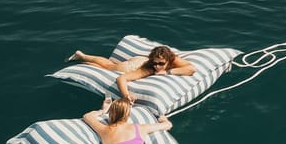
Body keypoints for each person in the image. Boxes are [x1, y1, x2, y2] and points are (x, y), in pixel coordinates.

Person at [66, 46, 196, 103]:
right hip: (132, 66)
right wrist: (126, 96)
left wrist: (167, 72)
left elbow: (191, 69)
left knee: (109, 64)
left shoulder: (174, 59)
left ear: (168, 59)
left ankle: (82, 56)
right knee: (109, 67)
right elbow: (121, 78)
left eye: (161, 63)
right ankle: (83, 58)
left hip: (140, 59)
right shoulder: (149, 68)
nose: (157, 66)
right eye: (155, 63)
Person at [83, 97, 172, 144]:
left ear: (111, 113)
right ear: (127, 115)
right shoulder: (139, 128)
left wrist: (103, 111)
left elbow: (87, 116)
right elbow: (168, 125)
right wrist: (164, 119)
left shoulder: (104, 130)